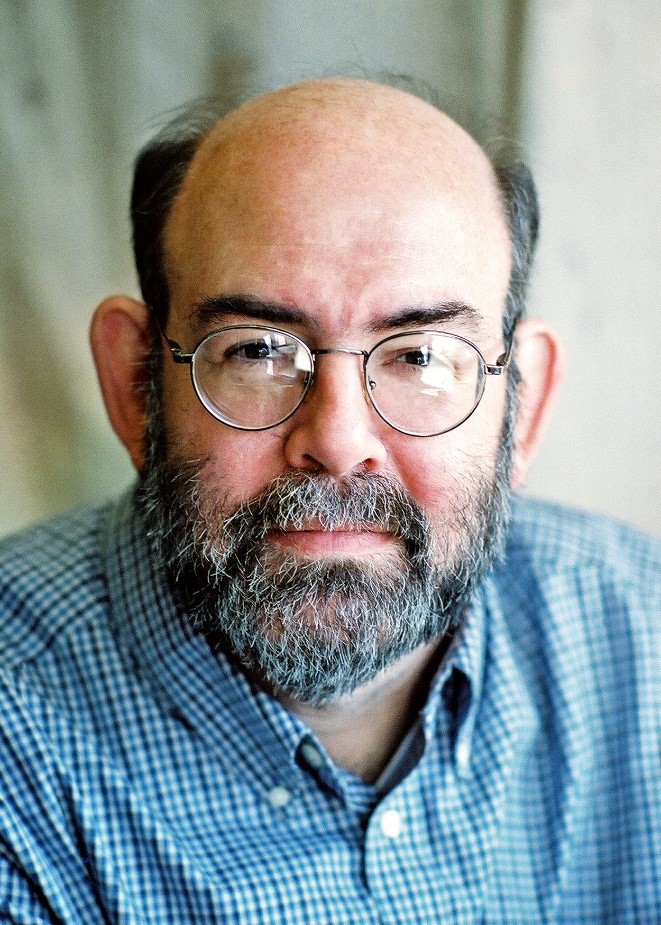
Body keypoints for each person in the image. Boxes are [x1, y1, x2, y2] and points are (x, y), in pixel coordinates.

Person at [0, 77, 658, 925]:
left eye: (420, 356)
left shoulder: (641, 638)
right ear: (135, 386)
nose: (339, 440)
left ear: (521, 410)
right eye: (257, 350)